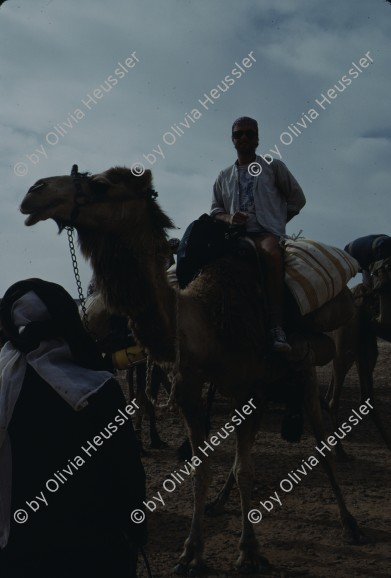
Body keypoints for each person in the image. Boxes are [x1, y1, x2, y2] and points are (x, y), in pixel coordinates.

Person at [0, 278, 146, 578]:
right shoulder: (99, 390)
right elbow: (128, 476)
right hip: (89, 555)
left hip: (14, 554)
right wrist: (136, 531)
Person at [210, 116, 306, 352]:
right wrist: (229, 218)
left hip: (265, 233)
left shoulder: (273, 167)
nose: (243, 138)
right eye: (238, 134)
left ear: (257, 138)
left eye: (249, 134)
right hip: (234, 235)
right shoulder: (223, 176)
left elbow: (297, 199)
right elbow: (215, 211)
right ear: (232, 139)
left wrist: (276, 221)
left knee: (272, 254)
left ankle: (276, 326)